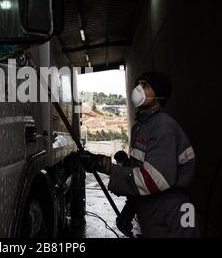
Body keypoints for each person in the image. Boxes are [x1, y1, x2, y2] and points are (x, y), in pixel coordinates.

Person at [80, 71, 199, 238]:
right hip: (152, 210)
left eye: (145, 85)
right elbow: (138, 171)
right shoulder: (141, 127)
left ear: (158, 93)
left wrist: (105, 166)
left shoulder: (163, 127)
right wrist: (130, 208)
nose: (138, 89)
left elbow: (152, 180)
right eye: (138, 84)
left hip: (173, 214)